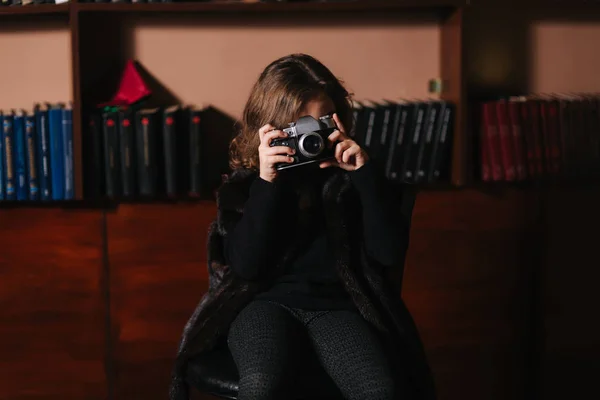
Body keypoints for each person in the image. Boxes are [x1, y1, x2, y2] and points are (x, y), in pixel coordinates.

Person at [169, 54, 435, 400]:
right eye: (300, 126)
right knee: (262, 386)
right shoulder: (247, 186)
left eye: (323, 120)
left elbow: (387, 255)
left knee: (379, 390)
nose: (313, 136)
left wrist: (364, 177)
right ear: (273, 127)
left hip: (336, 307)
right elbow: (247, 266)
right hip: (263, 305)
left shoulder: (351, 180)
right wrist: (267, 183)